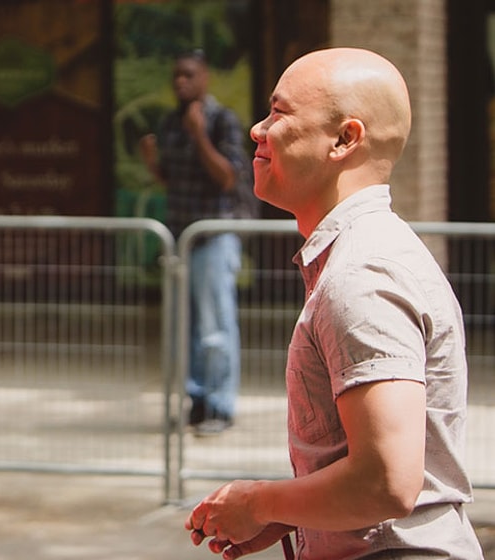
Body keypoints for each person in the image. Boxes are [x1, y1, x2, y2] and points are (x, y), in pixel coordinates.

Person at [184, 47, 484, 559]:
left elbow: (386, 482)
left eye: (279, 113)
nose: (258, 129)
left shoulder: (363, 274)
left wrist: (259, 502)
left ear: (345, 139)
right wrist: (291, 513)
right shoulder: (363, 255)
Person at [139, 49, 256, 436]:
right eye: (176, 75)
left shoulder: (222, 121)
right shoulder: (171, 121)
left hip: (213, 237)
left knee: (214, 327)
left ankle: (221, 405)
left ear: (205, 78)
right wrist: (154, 162)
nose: (180, 82)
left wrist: (199, 135)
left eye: (188, 75)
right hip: (180, 240)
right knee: (185, 328)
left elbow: (227, 178)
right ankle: (197, 402)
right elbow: (173, 182)